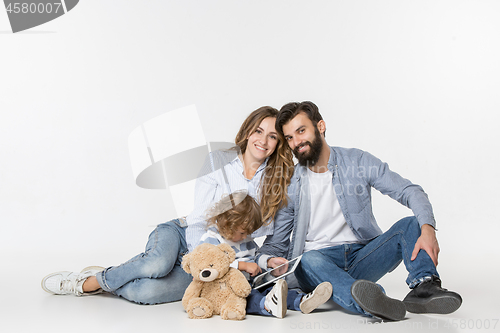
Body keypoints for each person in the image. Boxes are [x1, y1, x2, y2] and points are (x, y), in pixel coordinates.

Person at [41, 106, 294, 305]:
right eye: (259, 131)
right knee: (156, 265)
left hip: (225, 260)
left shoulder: (279, 181)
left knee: (147, 291)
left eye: (272, 136)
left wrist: (263, 261)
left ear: (278, 143)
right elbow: (199, 219)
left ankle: (122, 274)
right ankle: (91, 281)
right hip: (188, 236)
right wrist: (201, 259)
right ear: (248, 131)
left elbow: (268, 240)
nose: (263, 140)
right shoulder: (218, 160)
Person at [256, 101, 462, 321]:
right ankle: (373, 301)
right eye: (289, 138)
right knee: (307, 259)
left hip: (361, 257)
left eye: (301, 131)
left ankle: (424, 287)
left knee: (411, 224)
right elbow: (276, 243)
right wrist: (258, 262)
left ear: (321, 126)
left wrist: (428, 228)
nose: (296, 142)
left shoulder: (358, 161)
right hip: (317, 267)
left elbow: (410, 191)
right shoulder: (291, 183)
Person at [198, 190, 332, 319]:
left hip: (253, 282)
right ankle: (267, 306)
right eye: (243, 232)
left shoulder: (245, 239)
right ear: (228, 223)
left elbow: (255, 256)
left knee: (273, 288)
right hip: (228, 288)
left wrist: (269, 262)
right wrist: (243, 265)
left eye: (248, 233)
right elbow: (207, 265)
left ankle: (301, 300)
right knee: (249, 297)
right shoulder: (211, 238)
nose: (246, 237)